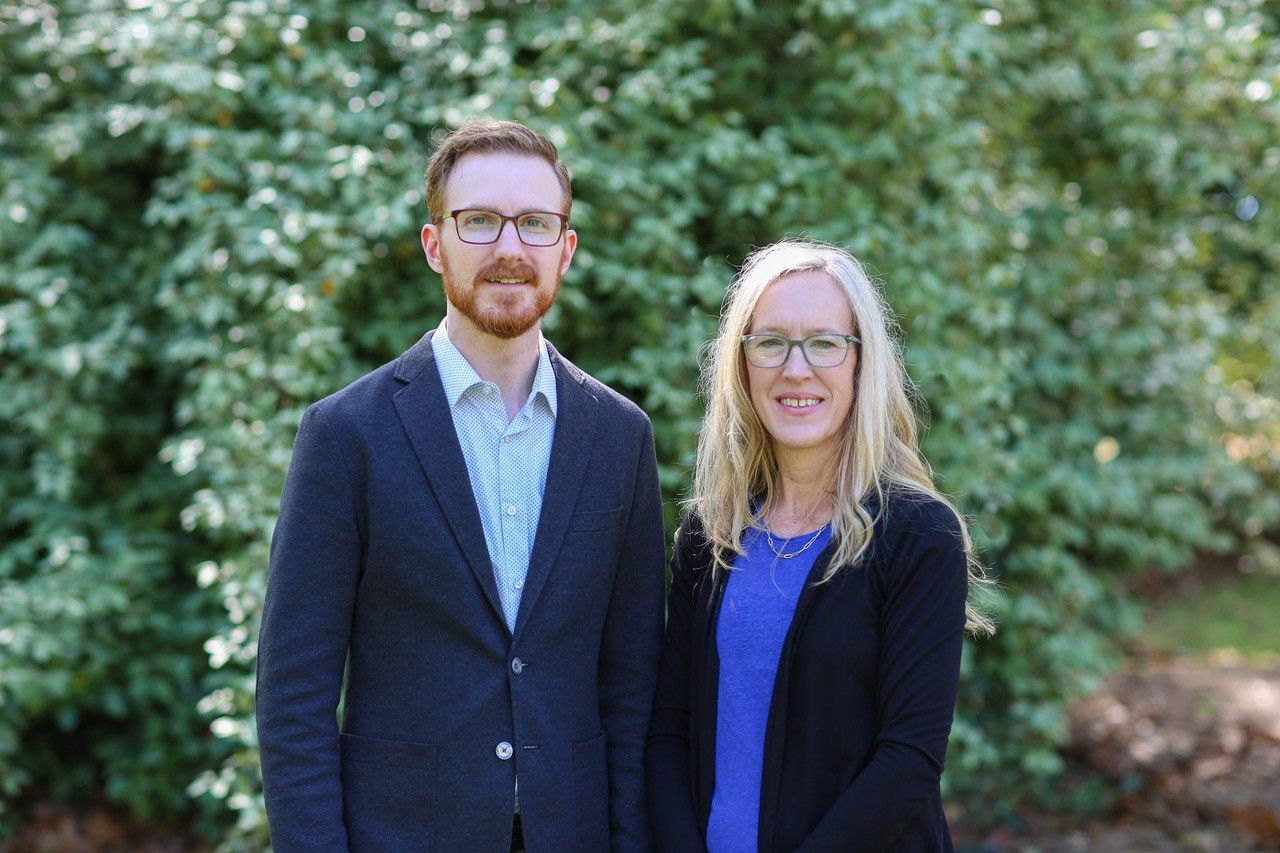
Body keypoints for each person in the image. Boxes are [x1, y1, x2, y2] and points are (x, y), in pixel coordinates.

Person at [256, 118, 665, 853]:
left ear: (565, 249)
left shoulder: (620, 436)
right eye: (479, 221)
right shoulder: (346, 434)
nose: (510, 248)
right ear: (434, 243)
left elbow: (632, 691)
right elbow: (294, 696)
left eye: (535, 224)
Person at [646, 240, 994, 852]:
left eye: (825, 343)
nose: (796, 369)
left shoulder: (917, 536)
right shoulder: (712, 534)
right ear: (743, 363)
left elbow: (908, 760)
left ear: (861, 362)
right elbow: (670, 730)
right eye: (772, 342)